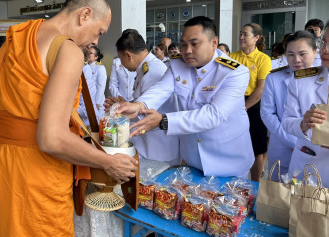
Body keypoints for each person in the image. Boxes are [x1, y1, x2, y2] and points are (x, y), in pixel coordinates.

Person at [0, 0, 137, 237]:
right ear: (85, 15)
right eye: (99, 32)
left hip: (1, 165)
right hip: (36, 173)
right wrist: (107, 162)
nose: (96, 42)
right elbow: (51, 138)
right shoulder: (67, 50)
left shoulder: (15, 40)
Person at [115, 16, 254, 177]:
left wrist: (164, 121)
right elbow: (161, 89)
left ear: (214, 43)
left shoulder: (235, 72)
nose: (187, 50)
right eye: (183, 44)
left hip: (229, 162)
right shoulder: (178, 64)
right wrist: (139, 105)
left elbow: (214, 115)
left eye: (194, 44)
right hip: (193, 160)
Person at [106, 29, 180, 165]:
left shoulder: (153, 70)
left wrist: (124, 109)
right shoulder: (146, 68)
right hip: (149, 142)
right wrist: (125, 104)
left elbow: (147, 110)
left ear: (128, 55)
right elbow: (143, 100)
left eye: (121, 58)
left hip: (158, 146)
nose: (121, 64)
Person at [261, 31, 317, 181]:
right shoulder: (274, 78)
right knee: (278, 196)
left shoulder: (324, 78)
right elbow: (267, 113)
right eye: (291, 54)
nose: (296, 59)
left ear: (315, 52)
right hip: (282, 146)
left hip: (316, 150)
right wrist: (290, 140)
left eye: (302, 54)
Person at [282, 19, 329, 189]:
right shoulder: (302, 79)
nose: (325, 49)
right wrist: (302, 123)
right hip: (309, 165)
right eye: (324, 42)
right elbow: (287, 121)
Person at [230, 23, 272, 182]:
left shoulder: (263, 59)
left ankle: (255, 183)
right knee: (233, 144)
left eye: (245, 34)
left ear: (256, 38)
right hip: (234, 102)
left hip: (253, 104)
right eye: (241, 34)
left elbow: (260, 88)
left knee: (257, 146)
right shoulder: (232, 57)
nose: (241, 37)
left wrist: (245, 107)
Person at [87, 45, 107, 119]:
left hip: (96, 101)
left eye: (90, 53)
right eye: (87, 52)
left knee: (97, 125)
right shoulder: (84, 66)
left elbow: (101, 86)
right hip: (86, 101)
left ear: (96, 57)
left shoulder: (100, 68)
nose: (88, 54)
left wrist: (97, 103)